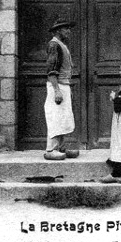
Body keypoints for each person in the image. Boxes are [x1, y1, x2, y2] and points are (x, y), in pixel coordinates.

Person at [43, 18, 79, 160]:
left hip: (63, 85)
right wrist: (57, 90)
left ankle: (61, 147)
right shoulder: (54, 45)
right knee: (56, 117)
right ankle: (50, 150)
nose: (69, 31)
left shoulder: (62, 45)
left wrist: (64, 88)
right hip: (56, 85)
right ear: (58, 31)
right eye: (66, 29)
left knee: (63, 118)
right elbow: (51, 70)